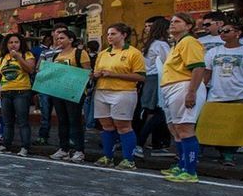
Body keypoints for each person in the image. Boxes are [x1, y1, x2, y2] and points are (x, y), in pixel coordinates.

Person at [203, 22, 243, 167]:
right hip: (216, 94)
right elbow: (207, 73)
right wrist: (199, 90)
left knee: (234, 127)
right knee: (216, 125)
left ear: (238, 33)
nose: (222, 33)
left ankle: (228, 156)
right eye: (221, 31)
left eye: (227, 31)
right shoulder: (213, 52)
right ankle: (217, 151)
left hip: (241, 93)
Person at [160, 13, 208, 183]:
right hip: (173, 88)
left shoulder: (189, 42)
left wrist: (191, 92)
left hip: (184, 87)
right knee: (177, 130)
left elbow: (198, 68)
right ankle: (181, 166)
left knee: (186, 130)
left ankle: (190, 170)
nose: (173, 24)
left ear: (188, 26)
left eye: (177, 21)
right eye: (172, 22)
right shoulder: (177, 44)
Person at [92, 23, 146, 169]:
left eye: (113, 34)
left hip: (123, 92)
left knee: (123, 126)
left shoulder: (134, 53)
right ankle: (108, 157)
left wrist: (113, 74)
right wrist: (95, 75)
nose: (110, 37)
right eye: (108, 34)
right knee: (106, 125)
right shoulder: (102, 54)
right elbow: (95, 72)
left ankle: (129, 159)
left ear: (123, 35)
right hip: (102, 91)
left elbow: (140, 76)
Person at [46, 27, 91, 162]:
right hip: (58, 92)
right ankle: (63, 149)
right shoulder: (56, 56)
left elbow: (87, 72)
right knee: (62, 121)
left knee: (75, 121)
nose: (59, 40)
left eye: (62, 38)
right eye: (58, 38)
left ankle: (79, 150)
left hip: (73, 92)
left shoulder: (79, 53)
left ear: (71, 40)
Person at [136, 16, 173, 157]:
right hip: (157, 78)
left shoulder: (150, 43)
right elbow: (167, 63)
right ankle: (140, 142)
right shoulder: (161, 45)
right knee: (159, 112)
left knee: (151, 112)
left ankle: (154, 143)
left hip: (149, 79)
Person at [0, 33, 35, 156]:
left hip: (22, 92)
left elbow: (30, 69)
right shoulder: (2, 57)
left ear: (20, 43)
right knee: (7, 122)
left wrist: (18, 57)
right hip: (6, 93)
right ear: (6, 44)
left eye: (16, 42)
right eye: (10, 42)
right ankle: (6, 145)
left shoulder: (27, 54)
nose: (13, 45)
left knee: (22, 121)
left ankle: (25, 147)